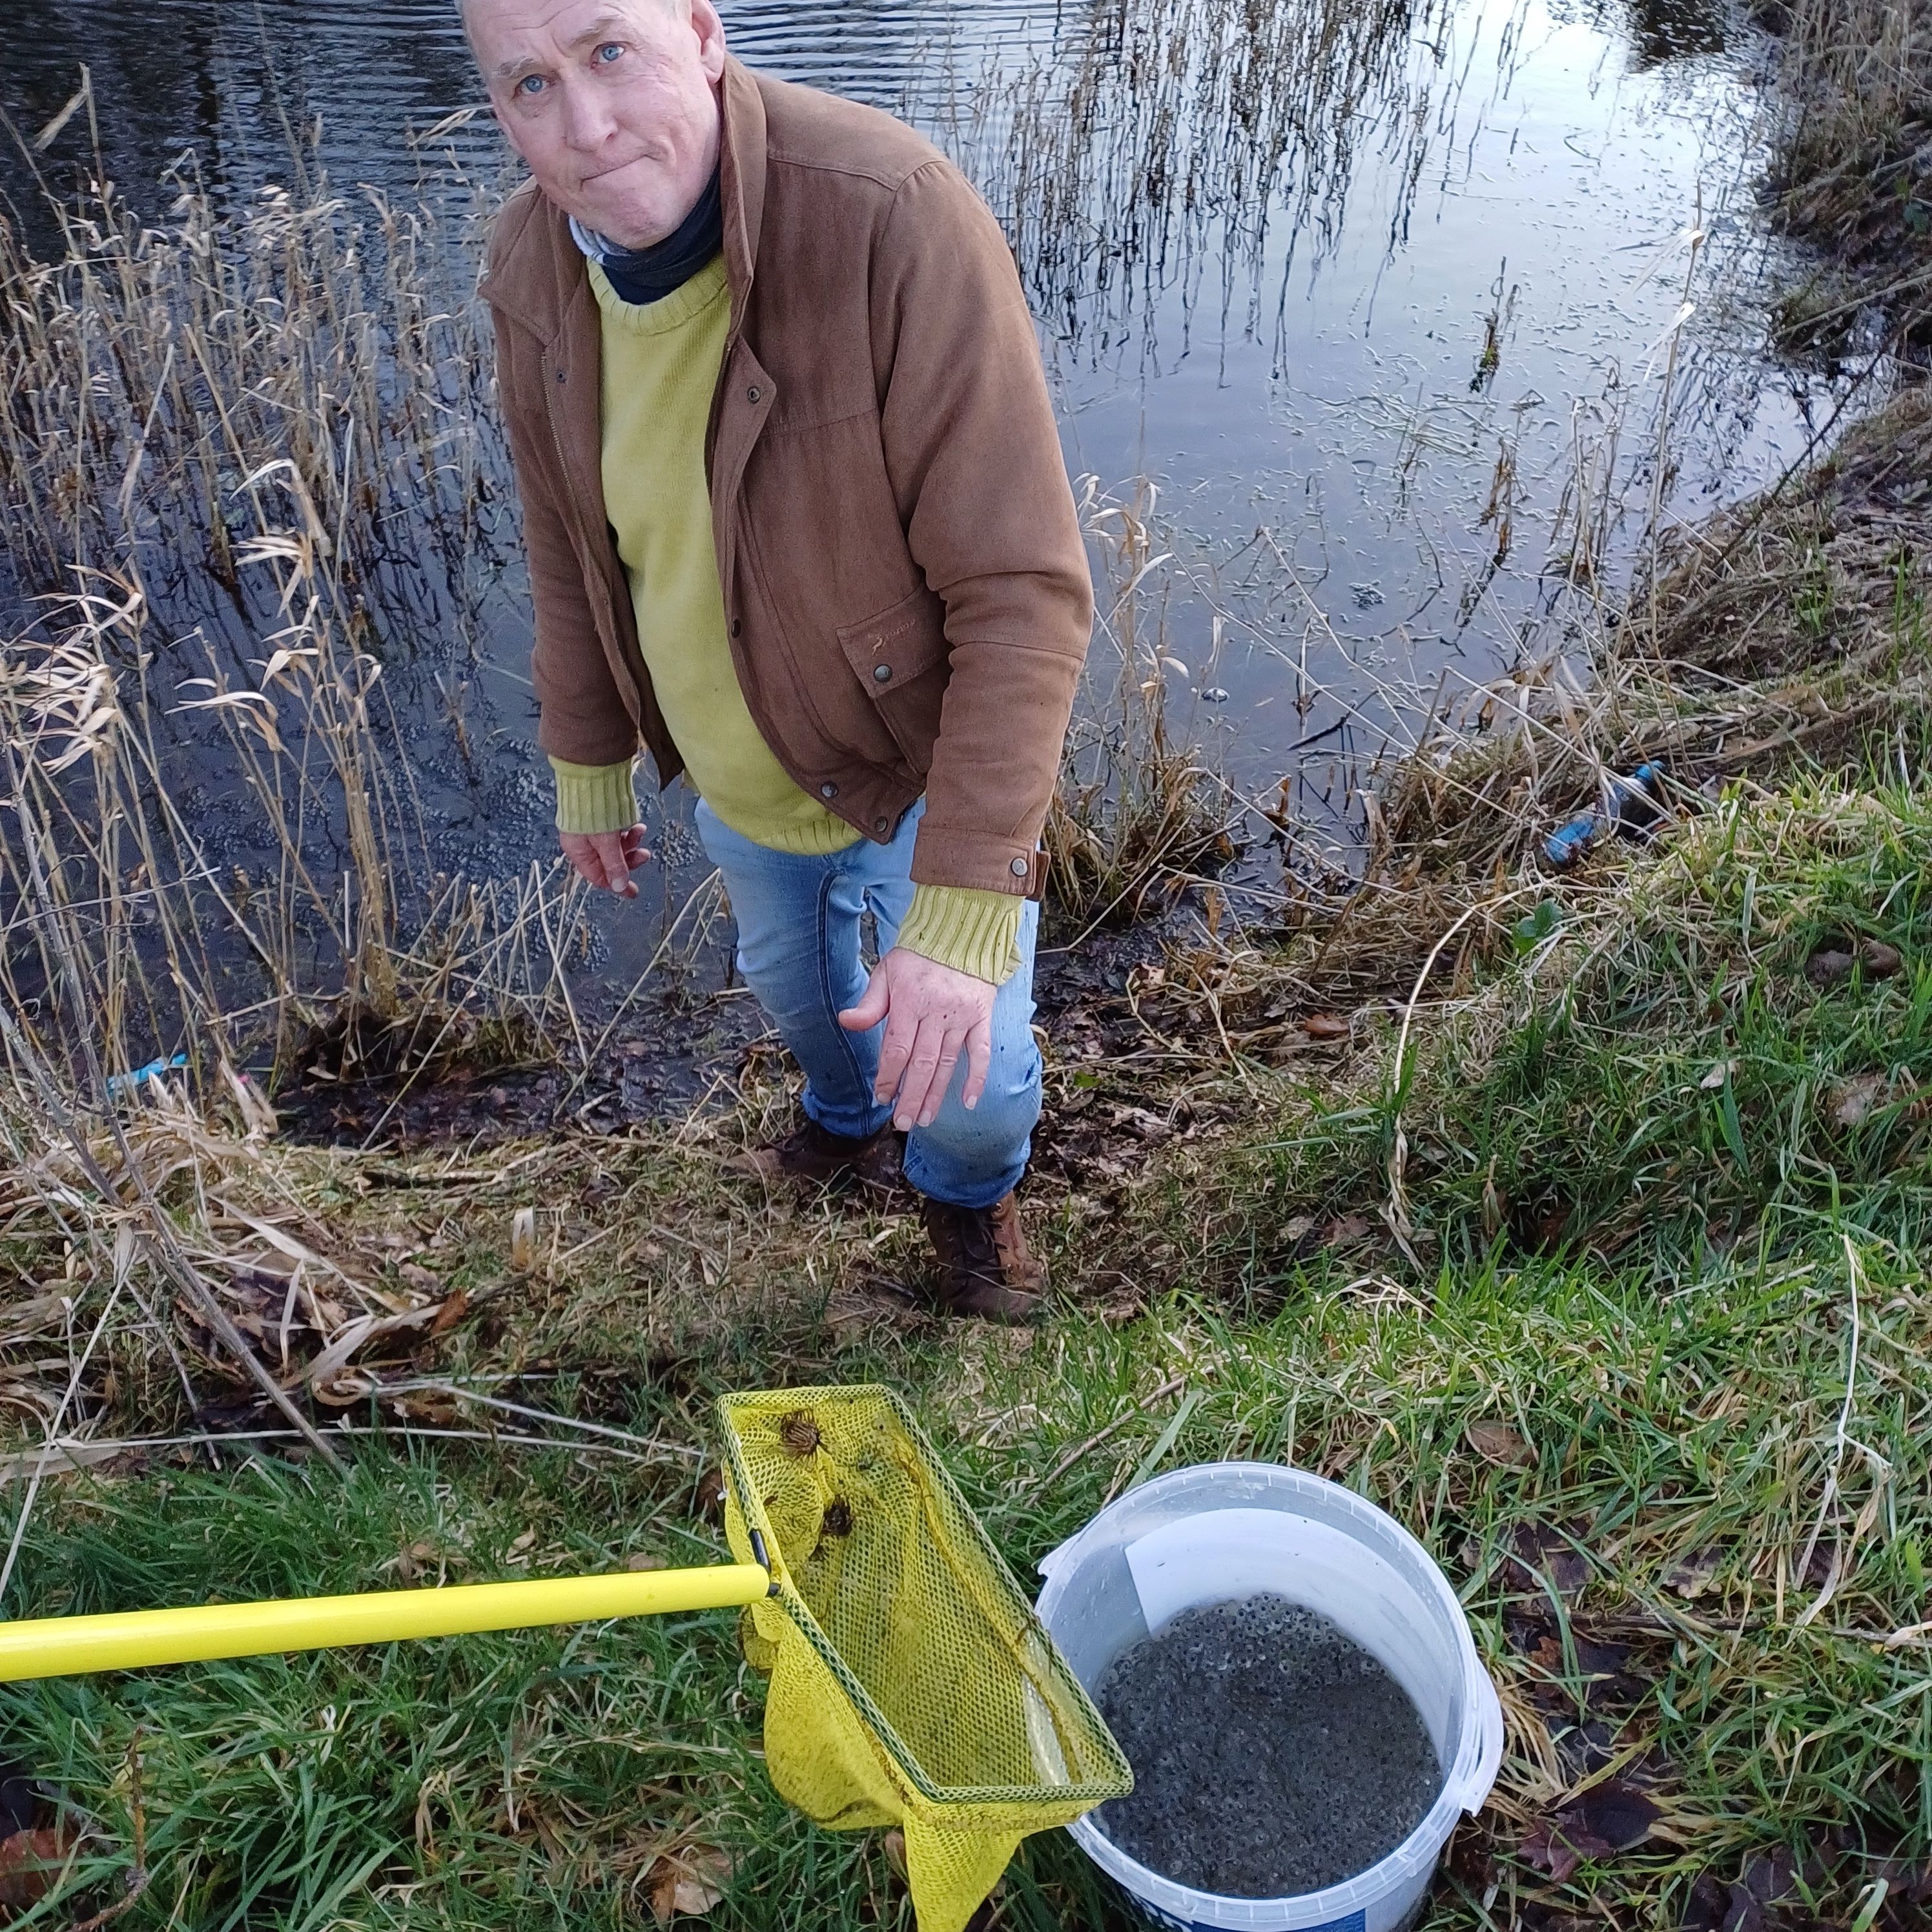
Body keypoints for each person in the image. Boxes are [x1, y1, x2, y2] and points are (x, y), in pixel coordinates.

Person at [463, 0, 1092, 1321]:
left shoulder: (886, 213)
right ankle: (842, 1111)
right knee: (800, 998)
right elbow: (569, 541)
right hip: (735, 780)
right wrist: (587, 755)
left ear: (699, 29)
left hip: (911, 770)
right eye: (526, 85)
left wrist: (963, 907)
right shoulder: (531, 268)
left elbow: (1022, 593)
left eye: (607, 51)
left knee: (972, 1088)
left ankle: (968, 1202)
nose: (581, 125)